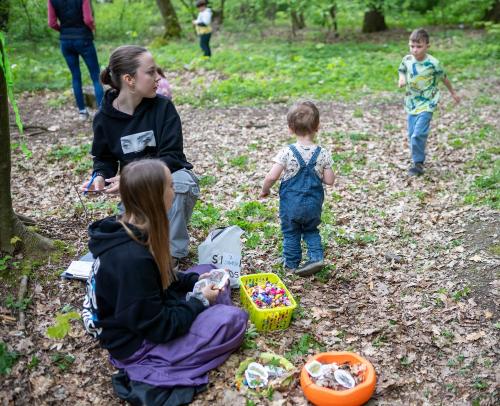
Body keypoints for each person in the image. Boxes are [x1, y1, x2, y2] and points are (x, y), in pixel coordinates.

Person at [82, 159, 248, 402]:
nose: (175, 190)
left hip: (144, 313)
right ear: (155, 198)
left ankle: (207, 305)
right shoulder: (132, 260)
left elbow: (158, 277)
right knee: (234, 319)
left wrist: (193, 281)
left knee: (208, 269)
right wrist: (199, 300)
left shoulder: (131, 226)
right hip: (135, 344)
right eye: (170, 186)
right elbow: (159, 327)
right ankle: (169, 358)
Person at [80, 45, 199, 263]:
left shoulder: (163, 108)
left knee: (182, 184)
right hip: (135, 189)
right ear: (129, 79)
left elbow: (172, 156)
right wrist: (99, 175)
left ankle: (171, 256)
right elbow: (104, 157)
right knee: (134, 245)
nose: (158, 78)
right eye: (151, 72)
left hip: (169, 177)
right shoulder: (104, 118)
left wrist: (129, 176)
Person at [260, 101, 334, 276]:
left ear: (290, 128)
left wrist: (265, 189)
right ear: (318, 127)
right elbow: (330, 180)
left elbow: (271, 176)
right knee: (311, 230)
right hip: (314, 204)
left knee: (291, 232)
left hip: (291, 205)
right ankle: (316, 258)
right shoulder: (323, 153)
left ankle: (291, 264)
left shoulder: (287, 152)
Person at [398, 28, 460, 176]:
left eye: (419, 46)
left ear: (427, 46)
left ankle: (418, 163)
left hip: (428, 102)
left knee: (417, 134)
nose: (415, 50)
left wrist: (453, 93)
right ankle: (417, 158)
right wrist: (401, 78)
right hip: (411, 103)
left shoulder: (433, 63)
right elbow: (401, 70)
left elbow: (444, 78)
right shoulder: (407, 60)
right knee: (412, 133)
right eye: (412, 46)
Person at [47, 0, 104, 120]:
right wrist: (92, 28)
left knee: (75, 76)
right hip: (84, 39)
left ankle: (82, 112)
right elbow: (88, 20)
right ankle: (101, 112)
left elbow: (52, 23)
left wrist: (63, 31)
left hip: (65, 41)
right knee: (95, 76)